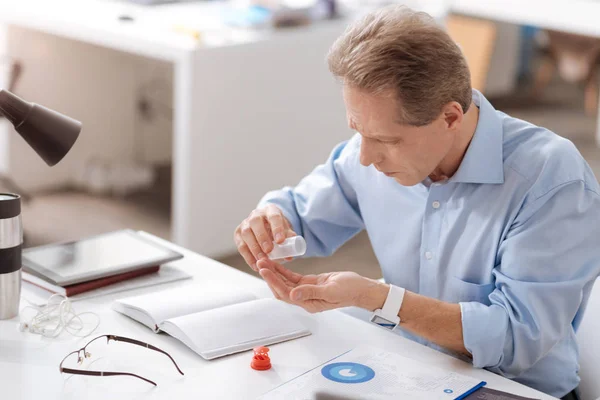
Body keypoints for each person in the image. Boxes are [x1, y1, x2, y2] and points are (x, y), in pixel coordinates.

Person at [233, 6, 600, 399]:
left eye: (387, 141)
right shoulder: (374, 151)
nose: (365, 158)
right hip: (405, 367)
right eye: (358, 131)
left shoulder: (550, 180)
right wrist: (271, 219)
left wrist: (379, 299)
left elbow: (515, 341)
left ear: (450, 118)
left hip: (511, 389)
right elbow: (302, 213)